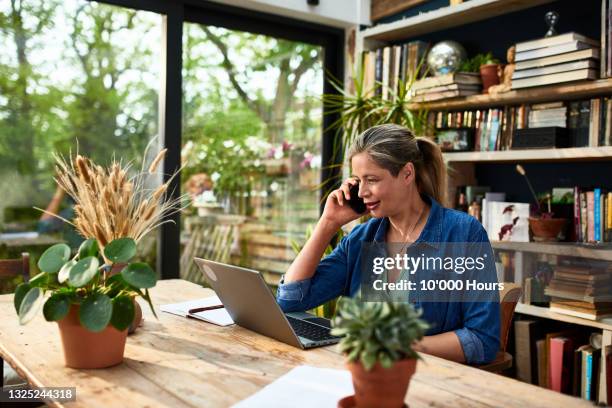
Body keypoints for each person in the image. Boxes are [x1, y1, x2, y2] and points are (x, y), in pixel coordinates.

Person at [276, 124, 500, 365]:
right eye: (357, 181)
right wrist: (328, 223)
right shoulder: (362, 238)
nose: (361, 192)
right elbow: (290, 301)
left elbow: (481, 340)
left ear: (407, 174)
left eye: (371, 180)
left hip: (428, 381)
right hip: (359, 375)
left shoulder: (462, 233)